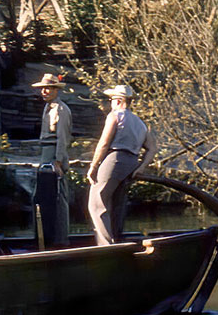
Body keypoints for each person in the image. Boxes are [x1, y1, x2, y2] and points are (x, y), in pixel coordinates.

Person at [86, 84, 156, 246]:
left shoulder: (115, 116)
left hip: (115, 159)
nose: (110, 103)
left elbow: (104, 143)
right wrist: (141, 167)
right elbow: (152, 148)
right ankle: (117, 239)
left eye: (111, 99)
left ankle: (106, 246)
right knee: (118, 203)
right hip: (132, 163)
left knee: (97, 203)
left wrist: (94, 166)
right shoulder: (141, 123)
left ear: (118, 100)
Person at [31, 72, 73, 247]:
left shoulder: (61, 110)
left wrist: (58, 160)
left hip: (54, 154)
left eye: (48, 88)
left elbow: (63, 138)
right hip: (45, 153)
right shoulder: (48, 108)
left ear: (56, 90)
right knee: (41, 196)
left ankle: (61, 239)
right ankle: (44, 237)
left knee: (59, 197)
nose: (44, 91)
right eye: (42, 88)